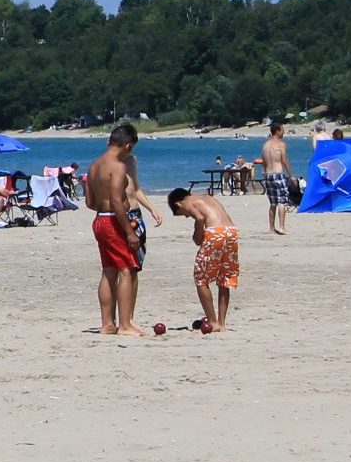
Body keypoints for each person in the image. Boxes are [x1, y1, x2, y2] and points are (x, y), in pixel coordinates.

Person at [85, 122, 161, 336]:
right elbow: (118, 202)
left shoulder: (93, 166)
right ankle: (125, 324)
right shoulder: (118, 167)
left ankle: (107, 323)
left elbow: (90, 202)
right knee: (127, 269)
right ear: (128, 146)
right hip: (113, 221)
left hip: (99, 219)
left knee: (109, 271)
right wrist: (128, 231)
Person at [168, 187, 240, 332]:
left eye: (181, 214)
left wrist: (197, 235)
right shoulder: (208, 198)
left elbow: (200, 219)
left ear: (178, 205)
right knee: (224, 278)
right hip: (231, 232)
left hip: (215, 233)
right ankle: (222, 323)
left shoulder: (189, 203)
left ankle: (213, 322)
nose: (186, 216)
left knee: (201, 278)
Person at [256, 118, 296, 236]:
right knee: (282, 201)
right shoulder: (280, 144)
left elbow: (264, 161)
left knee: (273, 203)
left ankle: (271, 228)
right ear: (277, 131)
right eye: (282, 130)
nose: (283, 132)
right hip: (278, 174)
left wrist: (264, 173)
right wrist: (292, 175)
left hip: (268, 175)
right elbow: (284, 160)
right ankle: (282, 227)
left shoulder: (265, 145)